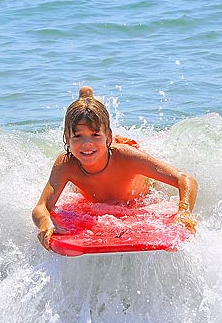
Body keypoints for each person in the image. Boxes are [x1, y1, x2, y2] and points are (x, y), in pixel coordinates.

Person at [32, 86, 198, 251]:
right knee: (88, 117)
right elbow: (41, 208)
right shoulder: (66, 164)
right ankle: (87, 100)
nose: (86, 143)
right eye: (77, 136)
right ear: (67, 139)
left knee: (96, 124)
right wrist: (44, 222)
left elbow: (186, 179)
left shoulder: (128, 158)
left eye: (95, 135)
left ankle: (90, 102)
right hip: (102, 151)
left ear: (108, 137)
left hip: (120, 156)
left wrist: (184, 212)